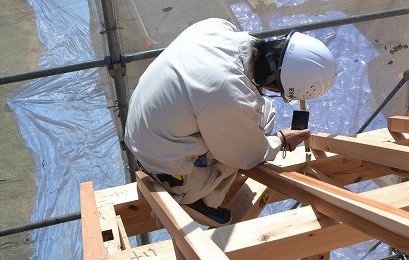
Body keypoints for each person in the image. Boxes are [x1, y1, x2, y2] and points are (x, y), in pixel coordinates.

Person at [124, 18, 336, 228]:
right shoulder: (226, 92)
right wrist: (280, 141)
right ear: (274, 85)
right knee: (246, 145)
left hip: (146, 136)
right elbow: (247, 155)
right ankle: (197, 200)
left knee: (263, 113)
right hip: (167, 169)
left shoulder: (215, 28)